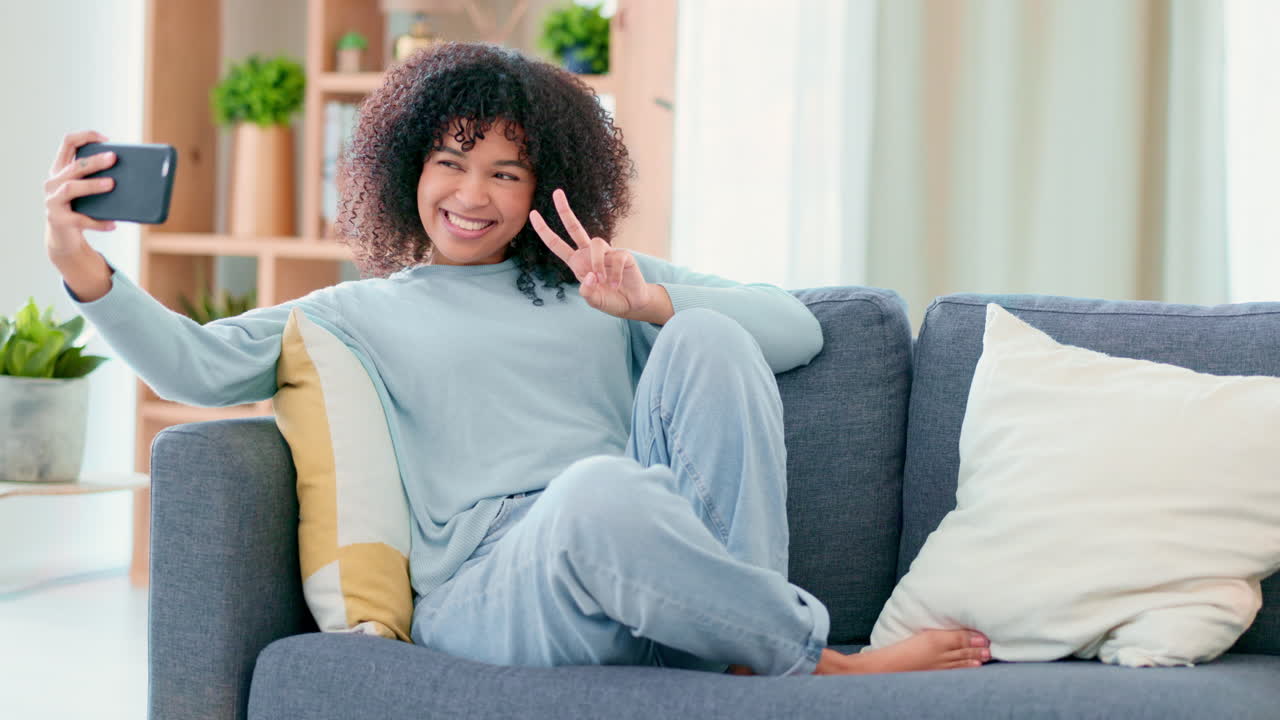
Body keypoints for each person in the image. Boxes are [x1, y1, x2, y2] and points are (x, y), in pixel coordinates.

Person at [43, 42, 990, 677]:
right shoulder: (354, 312)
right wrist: (79, 263)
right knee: (597, 492)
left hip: (651, 562)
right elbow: (196, 368)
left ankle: (744, 649)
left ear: (546, 188)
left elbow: (795, 329)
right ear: (408, 168)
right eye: (451, 163)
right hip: (495, 587)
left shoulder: (599, 278)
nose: (473, 195)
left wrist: (650, 305)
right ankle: (812, 659)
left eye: (506, 173)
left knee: (706, 336)